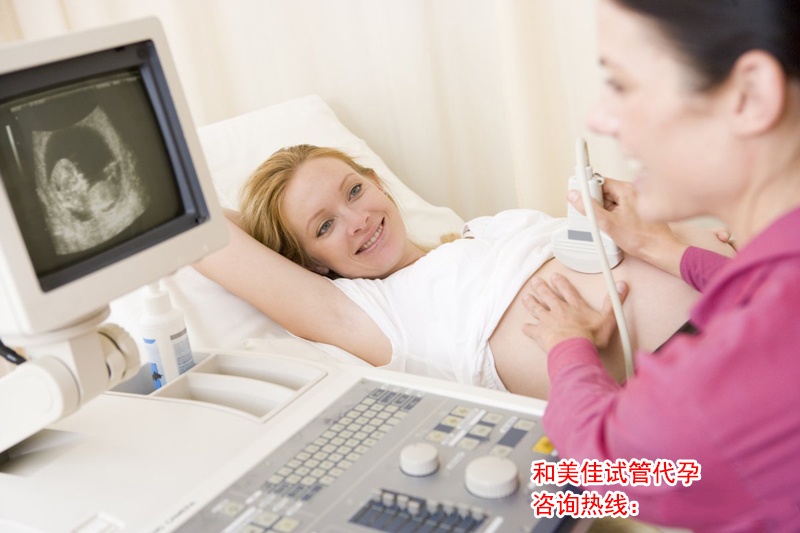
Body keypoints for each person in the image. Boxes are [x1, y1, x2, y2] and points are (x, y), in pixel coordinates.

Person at [521, 0, 800, 530]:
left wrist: (568, 346)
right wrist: (661, 248)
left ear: (751, 96)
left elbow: (603, 467)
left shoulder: (724, 384)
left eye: (621, 84)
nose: (599, 118)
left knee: (544, 500)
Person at [195, 144, 731, 399]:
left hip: (746, 294)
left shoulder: (485, 228)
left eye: (355, 190)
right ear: (311, 262)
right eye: (325, 225)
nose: (358, 220)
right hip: (696, 378)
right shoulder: (372, 315)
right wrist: (275, 230)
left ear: (377, 182)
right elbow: (199, 228)